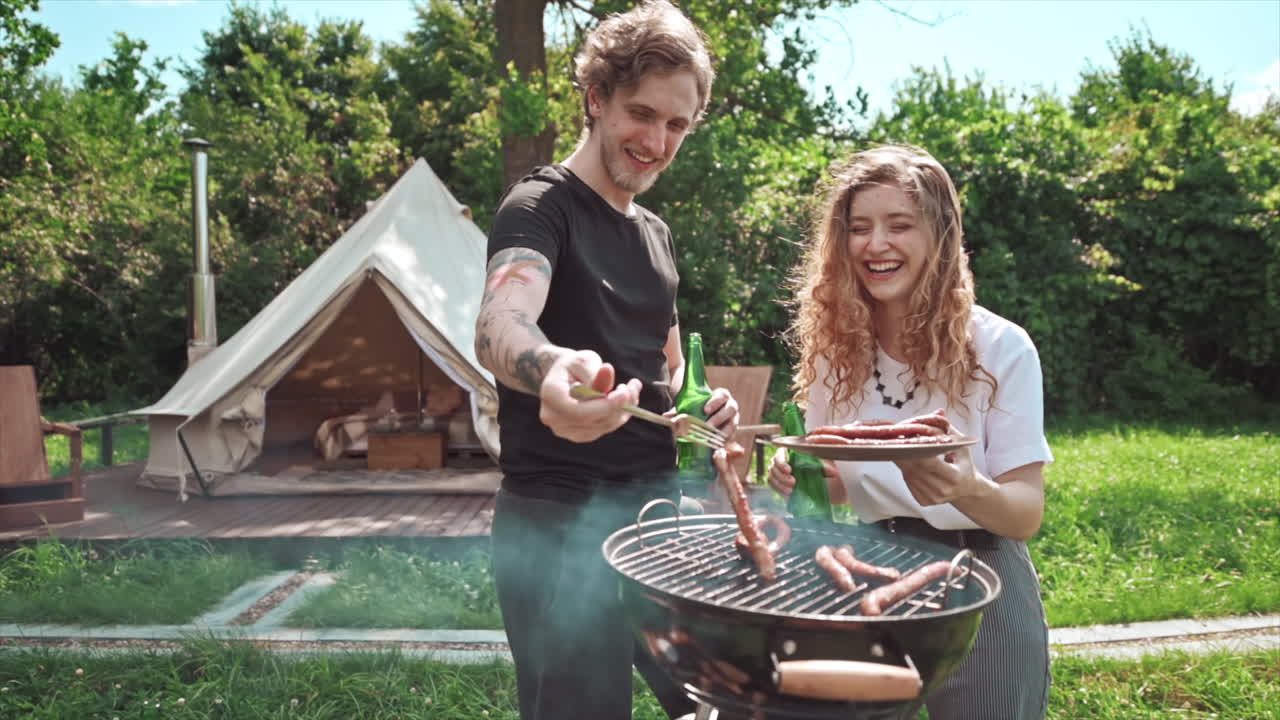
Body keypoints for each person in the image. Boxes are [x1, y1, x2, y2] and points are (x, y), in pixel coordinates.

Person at [473, 2, 738, 718]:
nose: (657, 141)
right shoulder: (538, 208)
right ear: (596, 99)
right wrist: (552, 369)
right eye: (640, 113)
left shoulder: (656, 233)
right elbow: (502, 321)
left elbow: (669, 369)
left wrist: (700, 405)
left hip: (654, 516)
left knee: (724, 699)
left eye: (677, 124)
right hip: (559, 524)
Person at [769, 144, 1053, 720]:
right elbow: (841, 481)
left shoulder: (1001, 348)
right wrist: (807, 475)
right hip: (873, 568)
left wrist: (968, 490)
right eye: (859, 228)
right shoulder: (834, 350)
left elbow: (1025, 513)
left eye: (899, 225)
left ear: (939, 237)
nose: (876, 245)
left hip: (984, 573)